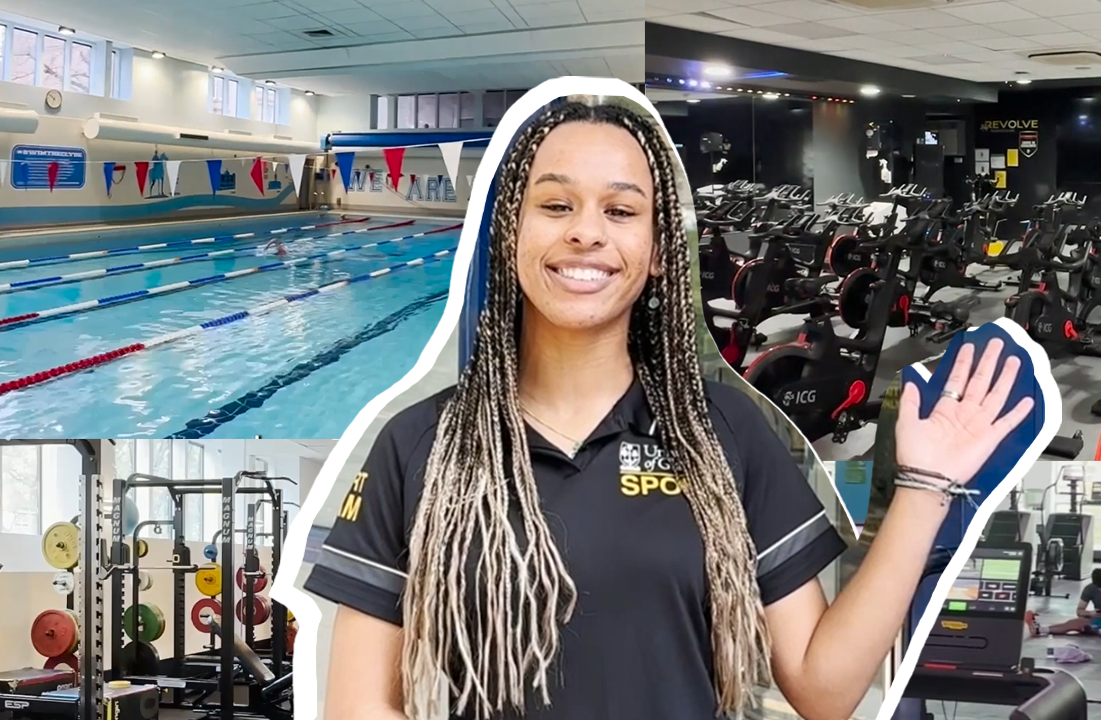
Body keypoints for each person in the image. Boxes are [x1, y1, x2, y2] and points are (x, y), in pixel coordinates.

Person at [305, 92, 1036, 720]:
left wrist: (926, 488)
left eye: (620, 209)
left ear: (658, 249)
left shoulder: (726, 433)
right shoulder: (420, 443)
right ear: (510, 233)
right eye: (555, 205)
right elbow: (360, 703)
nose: (586, 231)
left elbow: (822, 687)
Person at [1025, 568, 1101, 637]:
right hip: (1096, 620)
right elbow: (1080, 611)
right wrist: (1091, 613)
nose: (1100, 589)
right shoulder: (1089, 588)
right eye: (1098, 587)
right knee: (1073, 623)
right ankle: (1040, 629)